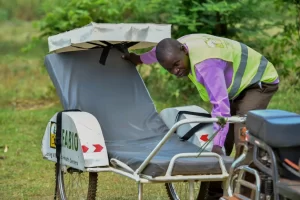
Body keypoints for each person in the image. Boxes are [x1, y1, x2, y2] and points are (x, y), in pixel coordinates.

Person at [122, 34, 279, 157]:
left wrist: (217, 146)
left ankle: (244, 193)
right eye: (170, 69)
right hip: (236, 84)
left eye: (176, 64)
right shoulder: (177, 48)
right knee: (224, 139)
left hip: (258, 80)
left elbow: (220, 106)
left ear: (184, 50)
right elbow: (157, 52)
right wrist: (138, 59)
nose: (175, 71)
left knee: (243, 138)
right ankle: (213, 194)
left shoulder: (206, 65)